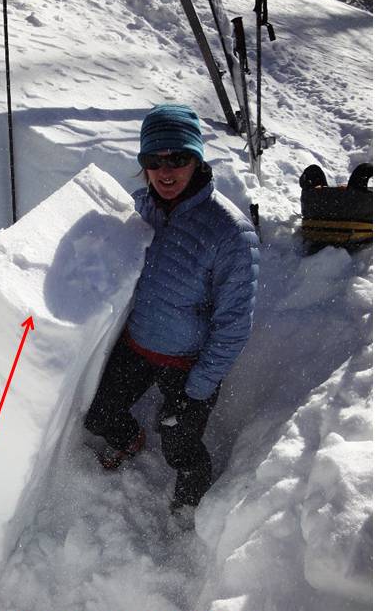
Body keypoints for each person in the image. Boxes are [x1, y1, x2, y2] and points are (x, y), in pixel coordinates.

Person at [83, 104, 260, 518]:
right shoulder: (140, 207)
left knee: (180, 444)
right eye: (153, 160)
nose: (165, 172)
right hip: (137, 344)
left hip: (188, 362)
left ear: (197, 159)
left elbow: (234, 325)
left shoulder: (231, 233)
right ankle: (130, 441)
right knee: (99, 417)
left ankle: (189, 507)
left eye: (178, 158)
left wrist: (197, 390)